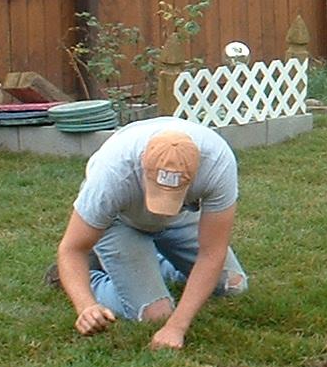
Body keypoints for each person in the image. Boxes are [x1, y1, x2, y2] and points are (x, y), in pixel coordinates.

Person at [51, 116, 248, 350]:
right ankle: (85, 278)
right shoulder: (112, 174)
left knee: (234, 286)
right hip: (120, 221)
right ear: (143, 166)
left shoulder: (217, 164)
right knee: (157, 315)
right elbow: (72, 248)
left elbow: (212, 252)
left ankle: (151, 264)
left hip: (181, 215)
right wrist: (85, 306)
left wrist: (177, 328)